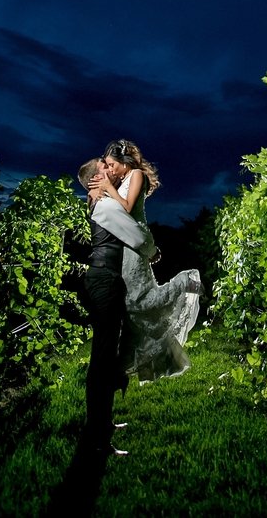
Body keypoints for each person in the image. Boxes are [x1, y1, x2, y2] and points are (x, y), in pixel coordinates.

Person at [89, 139, 203, 384]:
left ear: (123, 162)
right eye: (106, 166)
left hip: (135, 243)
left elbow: (127, 209)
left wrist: (108, 187)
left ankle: (185, 281)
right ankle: (125, 364)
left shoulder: (137, 174)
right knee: (131, 307)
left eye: (111, 164)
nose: (109, 169)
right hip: (125, 245)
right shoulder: (118, 180)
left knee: (139, 301)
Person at [77, 156, 159, 456]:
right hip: (104, 281)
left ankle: (103, 423)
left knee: (109, 354)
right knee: (101, 359)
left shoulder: (103, 201)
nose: (111, 171)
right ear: (95, 181)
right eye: (105, 169)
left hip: (107, 280)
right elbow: (136, 235)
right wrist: (152, 251)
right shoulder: (107, 204)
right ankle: (96, 437)